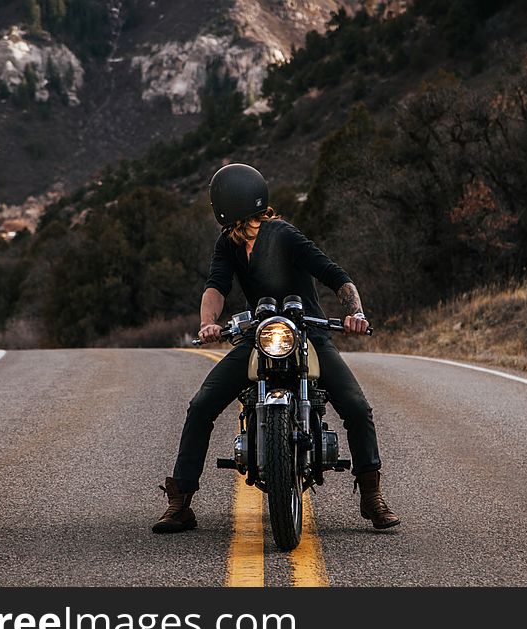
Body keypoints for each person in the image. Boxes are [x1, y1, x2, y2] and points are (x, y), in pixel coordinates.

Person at [153, 163, 399, 534]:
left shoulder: (283, 234)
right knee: (201, 405)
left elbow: (335, 275)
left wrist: (355, 313)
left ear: (224, 204)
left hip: (308, 334)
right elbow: (215, 287)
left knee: (357, 408)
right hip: (260, 334)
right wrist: (208, 323)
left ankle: (371, 496)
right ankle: (180, 501)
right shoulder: (229, 244)